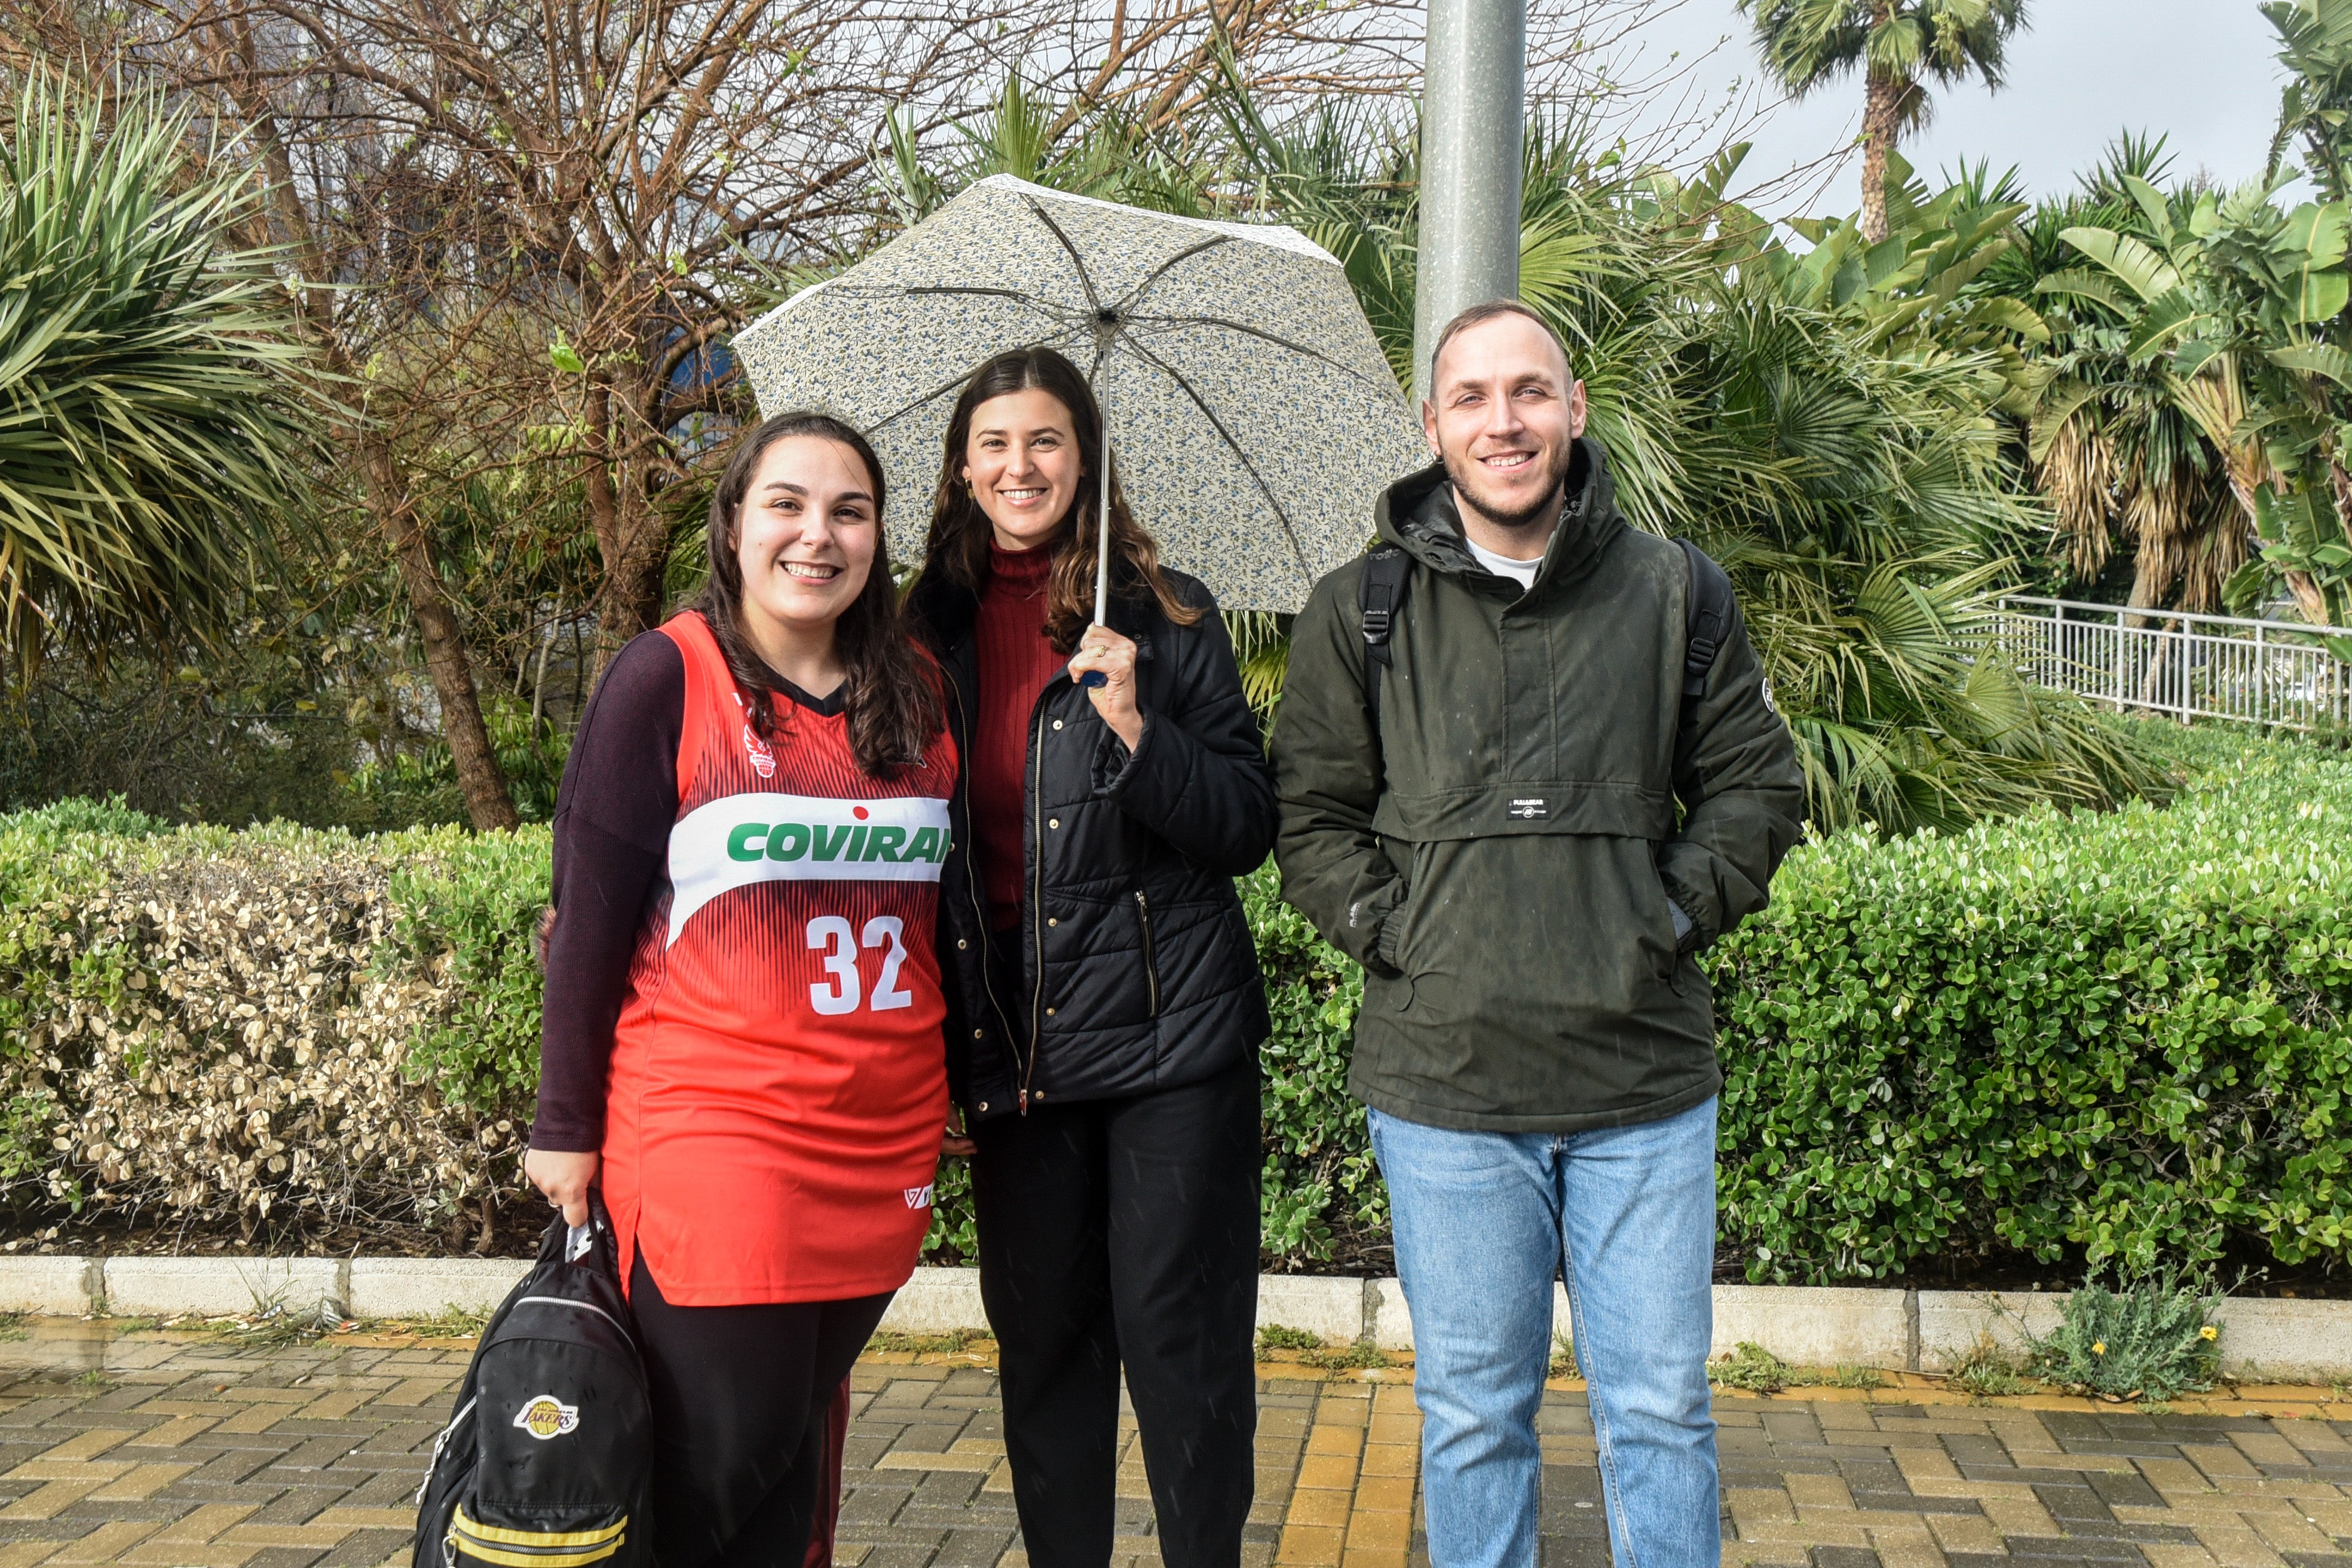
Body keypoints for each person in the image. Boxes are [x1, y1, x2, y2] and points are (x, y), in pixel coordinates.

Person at [1272, 302, 1806, 1567]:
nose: (1502, 422)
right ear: (1434, 427)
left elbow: (1757, 787)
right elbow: (1312, 818)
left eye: (1528, 392)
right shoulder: (1361, 609)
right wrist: (1404, 935)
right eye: (1472, 398)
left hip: (1643, 1085)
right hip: (1445, 1089)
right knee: (1470, 1420)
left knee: (1662, 1414)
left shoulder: (1676, 590)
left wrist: (1661, 916)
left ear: (1574, 406)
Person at [524, 411, 957, 1568]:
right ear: (732, 525)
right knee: (711, 1481)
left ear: (879, 539)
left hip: (884, 1143)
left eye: (850, 511)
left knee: (796, 1470)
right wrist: (564, 1125)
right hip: (718, 1132)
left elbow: (944, 919)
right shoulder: (667, 674)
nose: (818, 535)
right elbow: (588, 921)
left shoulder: (915, 688)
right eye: (788, 504)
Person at [906, 346, 1275, 1568]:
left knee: (1181, 1343)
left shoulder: (1167, 616)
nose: (1022, 466)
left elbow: (1244, 825)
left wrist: (1137, 728)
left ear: (1088, 459)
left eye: (1047, 441)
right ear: (962, 466)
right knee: (1048, 1348)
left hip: (1174, 1049)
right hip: (1015, 1053)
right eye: (997, 444)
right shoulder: (915, 640)